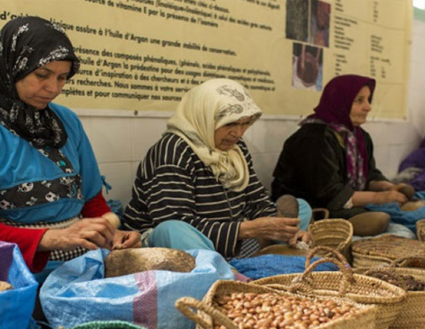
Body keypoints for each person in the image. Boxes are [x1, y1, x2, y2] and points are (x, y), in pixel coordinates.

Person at [0, 16, 141, 281]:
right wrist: (51, 238)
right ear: (12, 66)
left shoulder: (65, 121)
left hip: (82, 264)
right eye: (42, 75)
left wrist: (112, 234)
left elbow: (92, 200)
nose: (53, 88)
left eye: (62, 78)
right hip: (13, 273)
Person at [122, 78, 312, 258]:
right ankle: (228, 275)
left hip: (225, 237)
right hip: (168, 242)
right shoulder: (173, 150)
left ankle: (259, 255)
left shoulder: (236, 148)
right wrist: (247, 230)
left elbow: (256, 200)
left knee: (301, 207)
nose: (238, 133)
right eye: (230, 123)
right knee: (172, 228)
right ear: (205, 117)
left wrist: (286, 229)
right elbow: (175, 220)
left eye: (245, 123)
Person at [271, 74, 414, 237]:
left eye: (368, 100)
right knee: (387, 222)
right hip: (313, 209)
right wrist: (378, 198)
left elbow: (369, 173)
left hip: (338, 204)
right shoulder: (314, 138)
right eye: (359, 100)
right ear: (340, 102)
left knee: (399, 214)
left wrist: (387, 187)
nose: (368, 107)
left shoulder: (359, 136)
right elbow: (329, 193)